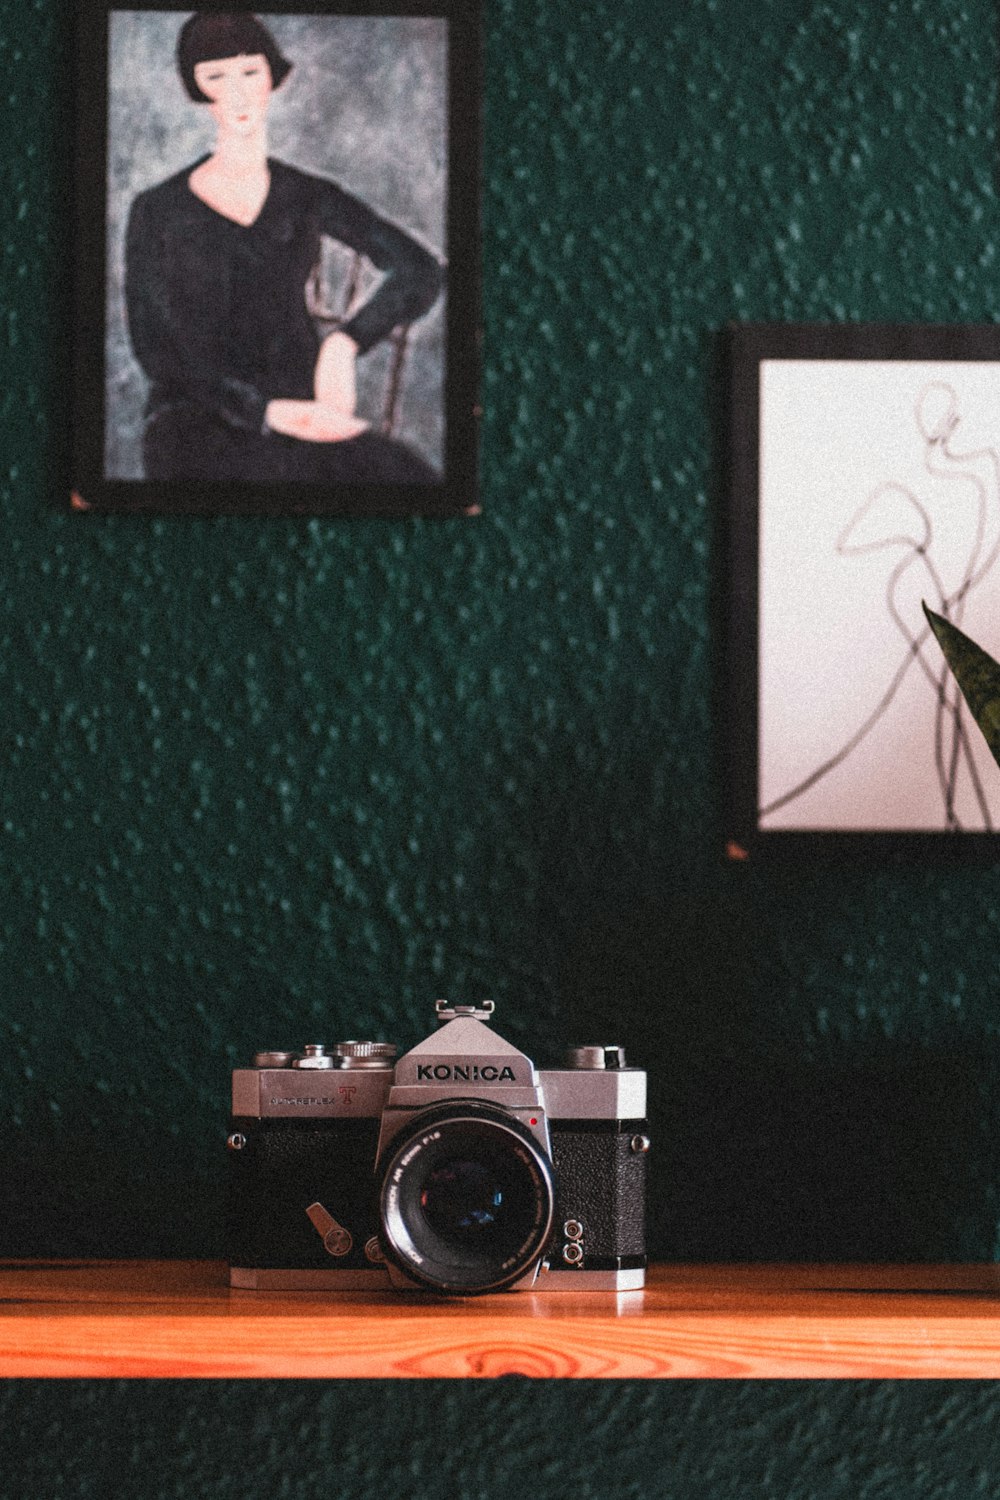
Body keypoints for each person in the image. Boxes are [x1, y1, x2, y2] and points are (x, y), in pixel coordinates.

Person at [124, 12, 445, 504]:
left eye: (250, 72)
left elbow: (419, 269)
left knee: (411, 481)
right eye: (217, 77)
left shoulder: (305, 194)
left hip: (306, 406)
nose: (237, 93)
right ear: (197, 88)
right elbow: (155, 350)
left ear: (273, 77)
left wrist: (345, 343)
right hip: (196, 416)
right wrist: (264, 412)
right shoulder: (157, 210)